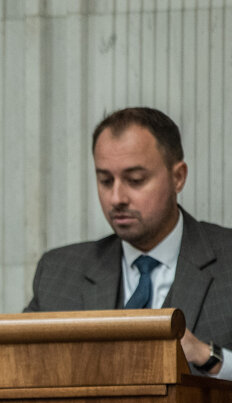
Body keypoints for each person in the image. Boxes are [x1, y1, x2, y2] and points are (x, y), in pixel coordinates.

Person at [26, 107, 232, 380]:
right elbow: (21, 370)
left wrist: (208, 356)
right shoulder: (59, 274)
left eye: (135, 180)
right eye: (105, 180)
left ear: (178, 177)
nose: (116, 198)